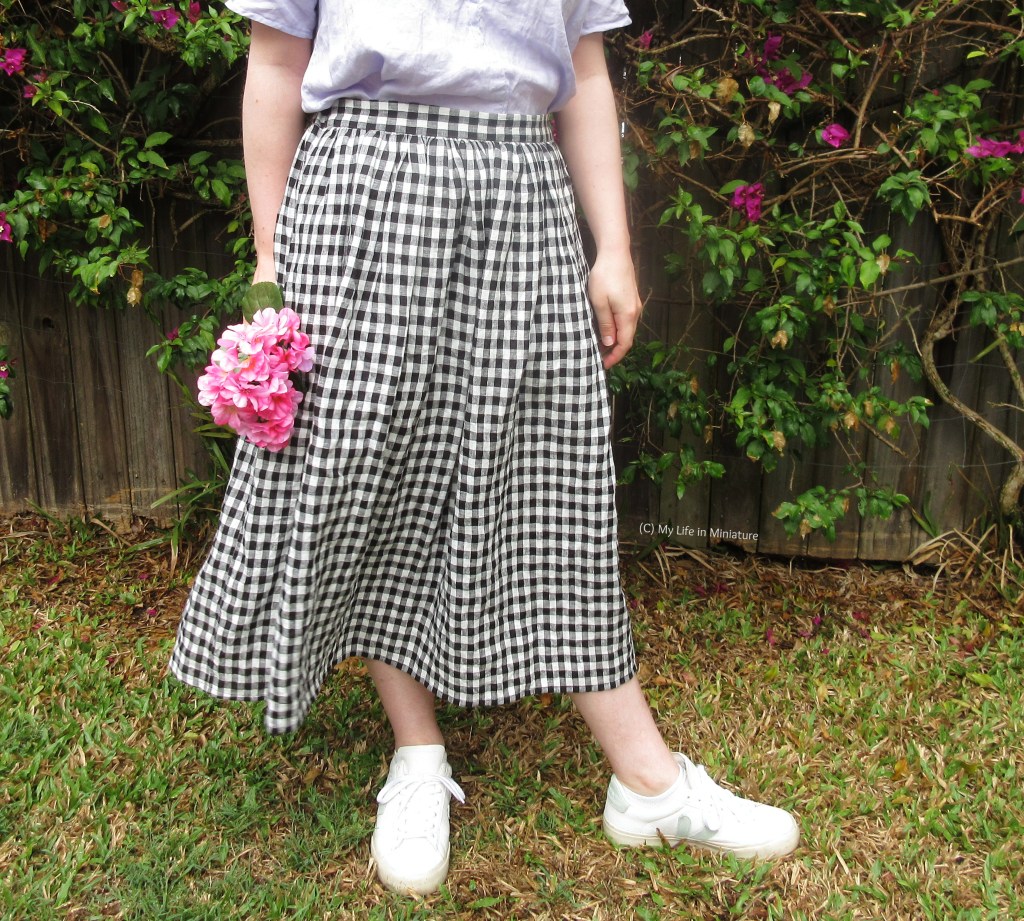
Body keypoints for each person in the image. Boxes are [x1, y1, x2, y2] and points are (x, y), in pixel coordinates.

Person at [168, 0, 800, 896]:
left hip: (521, 197)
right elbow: (273, 66)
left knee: (556, 471)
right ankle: (416, 753)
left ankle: (647, 782)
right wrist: (271, 254)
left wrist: (613, 245)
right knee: (371, 469)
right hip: (361, 199)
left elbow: (582, 72)